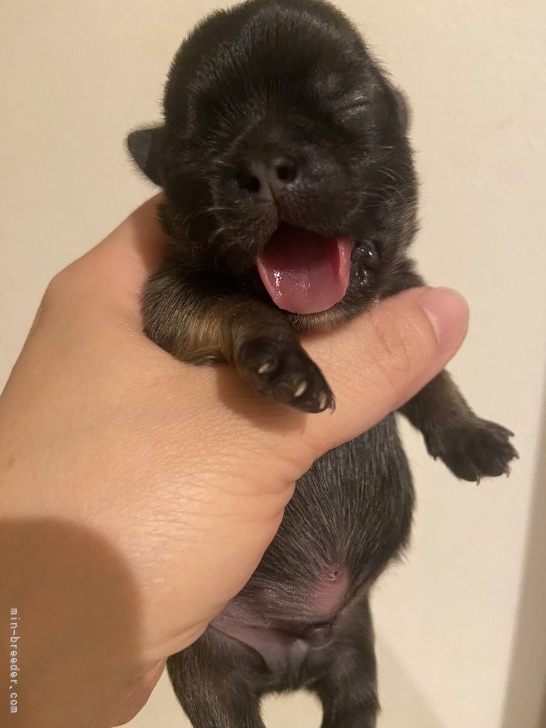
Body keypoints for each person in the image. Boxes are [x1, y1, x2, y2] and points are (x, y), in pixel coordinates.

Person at [0, 198, 468, 727]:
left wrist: (455, 425)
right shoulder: (197, 284)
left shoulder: (373, 264)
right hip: (223, 621)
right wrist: (18, 675)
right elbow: (177, 310)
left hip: (350, 608)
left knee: (357, 706)